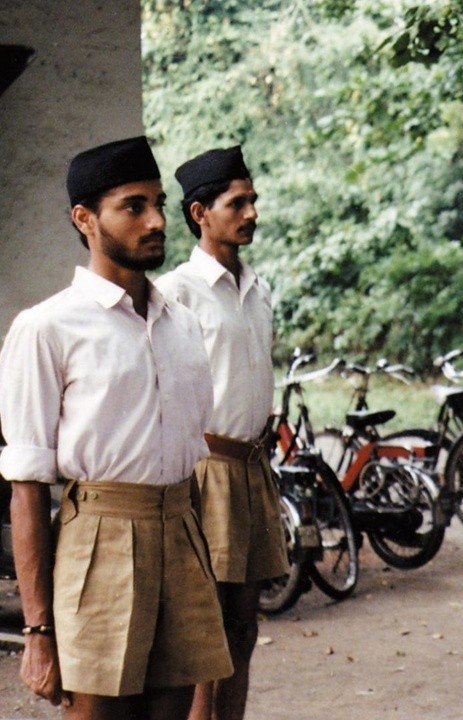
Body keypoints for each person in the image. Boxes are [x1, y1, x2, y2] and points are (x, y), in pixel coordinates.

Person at [0, 136, 232, 718]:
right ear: (85, 219)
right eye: (133, 206)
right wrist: (37, 632)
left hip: (181, 535)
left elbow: (191, 451)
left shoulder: (181, 324)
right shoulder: (46, 328)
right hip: (97, 541)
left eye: (158, 203)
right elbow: (27, 487)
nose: (156, 220)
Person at [155, 145, 288, 720]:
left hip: (253, 469)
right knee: (204, 629)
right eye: (238, 203)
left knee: (244, 623)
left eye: (253, 200)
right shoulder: (176, 292)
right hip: (205, 470)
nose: (252, 212)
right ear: (199, 213)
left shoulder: (257, 290)